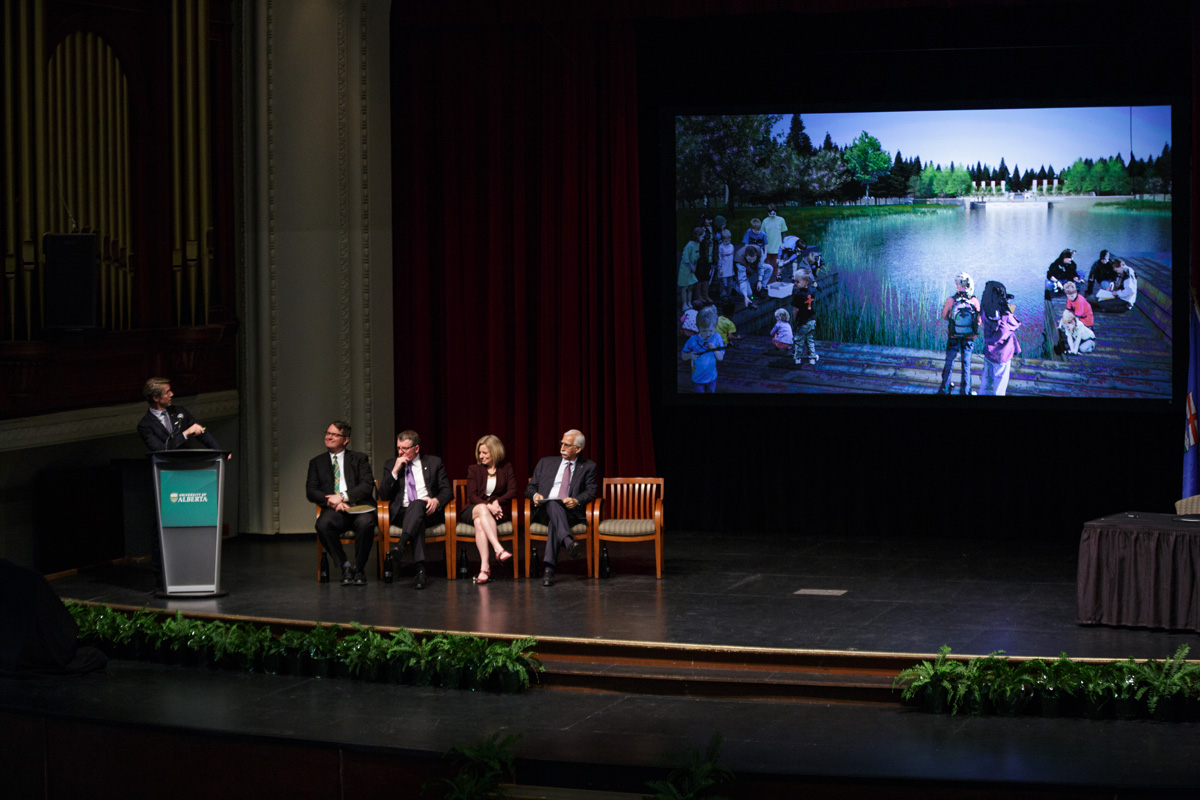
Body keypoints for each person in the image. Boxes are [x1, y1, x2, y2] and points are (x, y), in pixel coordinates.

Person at [305, 421, 377, 586]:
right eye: (328, 433)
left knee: (366, 523)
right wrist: (332, 501)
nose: (329, 437)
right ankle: (345, 567)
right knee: (322, 524)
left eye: (334, 434)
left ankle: (359, 569)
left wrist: (343, 497)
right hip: (334, 510)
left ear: (345, 440)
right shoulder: (316, 462)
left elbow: (367, 486)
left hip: (359, 507)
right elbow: (311, 491)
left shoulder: (359, 459)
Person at [379, 430, 452, 590]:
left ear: (416, 449)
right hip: (402, 513)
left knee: (418, 506)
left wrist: (436, 500)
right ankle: (420, 570)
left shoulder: (434, 462)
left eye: (405, 449)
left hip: (429, 511)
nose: (400, 452)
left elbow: (447, 490)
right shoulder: (391, 464)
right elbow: (383, 495)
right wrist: (395, 471)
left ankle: (401, 544)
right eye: (398, 448)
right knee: (416, 514)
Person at [526, 429, 598, 587]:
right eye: (561, 443)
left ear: (578, 449)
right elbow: (530, 488)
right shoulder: (546, 462)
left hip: (570, 512)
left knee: (555, 521)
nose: (562, 448)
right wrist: (535, 496)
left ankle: (549, 571)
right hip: (544, 510)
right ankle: (568, 542)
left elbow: (591, 491)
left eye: (567, 445)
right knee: (552, 502)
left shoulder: (588, 466)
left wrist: (576, 500)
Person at [463, 434, 516, 585]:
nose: (481, 456)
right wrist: (488, 506)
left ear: (495, 452)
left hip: (496, 511)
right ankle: (498, 550)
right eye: (480, 452)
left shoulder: (506, 468)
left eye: (485, 452)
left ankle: (484, 568)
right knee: (480, 509)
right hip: (473, 508)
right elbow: (472, 496)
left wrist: (496, 503)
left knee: (479, 523)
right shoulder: (474, 469)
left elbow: (512, 491)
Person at [137, 377, 221, 452]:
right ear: (156, 398)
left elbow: (200, 431)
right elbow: (161, 450)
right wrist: (185, 433)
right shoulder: (145, 425)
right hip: (166, 467)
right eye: (167, 392)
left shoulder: (179, 411)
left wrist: (219, 451)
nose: (172, 394)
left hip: (187, 463)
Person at [937, 272, 981, 395]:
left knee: (949, 362)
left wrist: (955, 321)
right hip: (969, 338)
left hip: (953, 336)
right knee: (966, 364)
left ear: (957, 285)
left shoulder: (951, 300)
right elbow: (979, 321)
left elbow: (944, 316)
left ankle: (944, 389)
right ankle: (965, 391)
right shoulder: (974, 301)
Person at [979, 280, 1021, 396]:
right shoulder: (1006, 316)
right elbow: (1015, 324)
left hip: (989, 352)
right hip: (1002, 355)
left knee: (985, 382)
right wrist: (1008, 309)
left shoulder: (984, 311)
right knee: (999, 387)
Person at [681, 305, 725, 392]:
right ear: (698, 327)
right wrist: (689, 355)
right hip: (697, 379)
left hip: (712, 378)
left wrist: (715, 349)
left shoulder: (717, 337)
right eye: (704, 331)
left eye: (711, 331)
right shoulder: (693, 340)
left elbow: (720, 358)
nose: (708, 334)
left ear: (715, 327)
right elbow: (683, 356)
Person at [791, 267, 819, 366]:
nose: (795, 283)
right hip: (811, 320)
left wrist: (794, 320)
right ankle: (812, 358)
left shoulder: (798, 295)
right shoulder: (811, 292)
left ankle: (797, 358)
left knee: (799, 340)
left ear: (806, 281)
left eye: (797, 282)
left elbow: (796, 310)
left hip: (802, 321)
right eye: (794, 281)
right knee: (810, 340)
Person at [761, 203, 788, 283]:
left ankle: (777, 282)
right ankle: (767, 283)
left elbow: (783, 233)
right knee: (768, 267)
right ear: (768, 213)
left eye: (774, 213)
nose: (772, 215)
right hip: (768, 248)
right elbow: (762, 234)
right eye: (770, 214)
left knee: (777, 267)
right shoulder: (765, 221)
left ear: (776, 212)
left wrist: (784, 243)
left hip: (777, 248)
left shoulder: (781, 220)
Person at [677, 227, 702, 311]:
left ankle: (689, 302)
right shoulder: (690, 245)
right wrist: (691, 267)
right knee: (685, 287)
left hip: (692, 269)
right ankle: (684, 303)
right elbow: (685, 258)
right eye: (702, 236)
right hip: (686, 269)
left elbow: (696, 257)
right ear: (698, 236)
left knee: (691, 286)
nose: (702, 238)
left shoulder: (697, 244)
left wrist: (694, 266)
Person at [716, 229, 736, 302]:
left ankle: (729, 294)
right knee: (723, 283)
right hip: (723, 267)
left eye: (729, 240)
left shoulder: (731, 246)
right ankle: (723, 295)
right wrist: (719, 268)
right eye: (725, 241)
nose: (727, 242)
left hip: (730, 268)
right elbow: (719, 258)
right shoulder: (721, 247)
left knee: (730, 283)